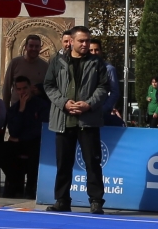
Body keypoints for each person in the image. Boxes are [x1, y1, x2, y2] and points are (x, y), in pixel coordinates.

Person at [44, 23, 109, 213]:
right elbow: (49, 85)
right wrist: (63, 102)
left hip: (88, 120)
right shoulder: (57, 61)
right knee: (63, 163)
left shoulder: (97, 63)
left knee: (92, 162)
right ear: (71, 41)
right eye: (81, 41)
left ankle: (96, 200)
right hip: (63, 120)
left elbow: (104, 87)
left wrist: (89, 103)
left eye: (87, 41)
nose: (85, 44)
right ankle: (62, 200)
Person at [3, 73, 49, 198]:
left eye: (25, 88)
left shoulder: (41, 105)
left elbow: (39, 128)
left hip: (34, 141)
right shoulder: (14, 109)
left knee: (35, 149)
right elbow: (13, 131)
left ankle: (31, 186)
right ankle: (14, 184)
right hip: (19, 142)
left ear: (30, 88)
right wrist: (21, 110)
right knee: (4, 149)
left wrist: (20, 138)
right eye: (19, 89)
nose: (22, 91)